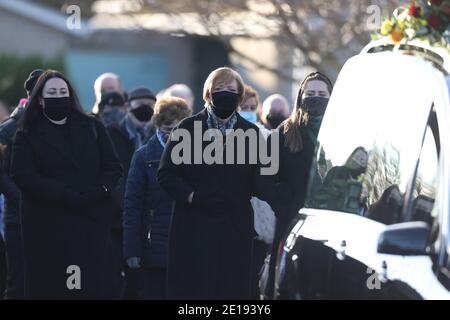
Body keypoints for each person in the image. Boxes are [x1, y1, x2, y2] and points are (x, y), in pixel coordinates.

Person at [157, 67, 270, 299]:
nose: (225, 94)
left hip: (234, 225)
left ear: (239, 96)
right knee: (196, 288)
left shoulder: (251, 133)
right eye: (219, 89)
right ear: (208, 94)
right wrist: (192, 196)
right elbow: (166, 174)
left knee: (230, 288)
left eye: (231, 90)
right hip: (194, 224)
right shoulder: (187, 128)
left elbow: (261, 178)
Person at [11, 70, 122, 299]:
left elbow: (113, 167)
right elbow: (23, 176)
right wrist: (63, 194)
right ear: (40, 99)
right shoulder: (27, 133)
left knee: (87, 288)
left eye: (63, 92)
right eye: (52, 92)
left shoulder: (92, 126)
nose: (58, 96)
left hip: (90, 222)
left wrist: (98, 191)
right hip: (49, 225)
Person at [262, 71, 333, 299]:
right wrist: (287, 203)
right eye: (310, 93)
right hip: (292, 225)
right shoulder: (283, 133)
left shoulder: (341, 133)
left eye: (322, 94)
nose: (316, 97)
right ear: (301, 96)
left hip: (332, 228)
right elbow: (264, 179)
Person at [124, 97, 191, 299]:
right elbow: (132, 204)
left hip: (188, 247)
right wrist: (131, 249)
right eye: (168, 129)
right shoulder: (144, 156)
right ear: (159, 126)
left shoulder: (198, 155)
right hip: (153, 247)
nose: (174, 136)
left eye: (179, 129)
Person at [106, 86, 156, 299]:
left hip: (150, 221)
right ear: (128, 106)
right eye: (139, 104)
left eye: (149, 104)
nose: (145, 108)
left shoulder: (158, 135)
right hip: (117, 221)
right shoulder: (111, 134)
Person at [0, 69, 44, 299]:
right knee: (19, 283)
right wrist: (25, 198)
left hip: (51, 217)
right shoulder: (8, 130)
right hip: (19, 219)